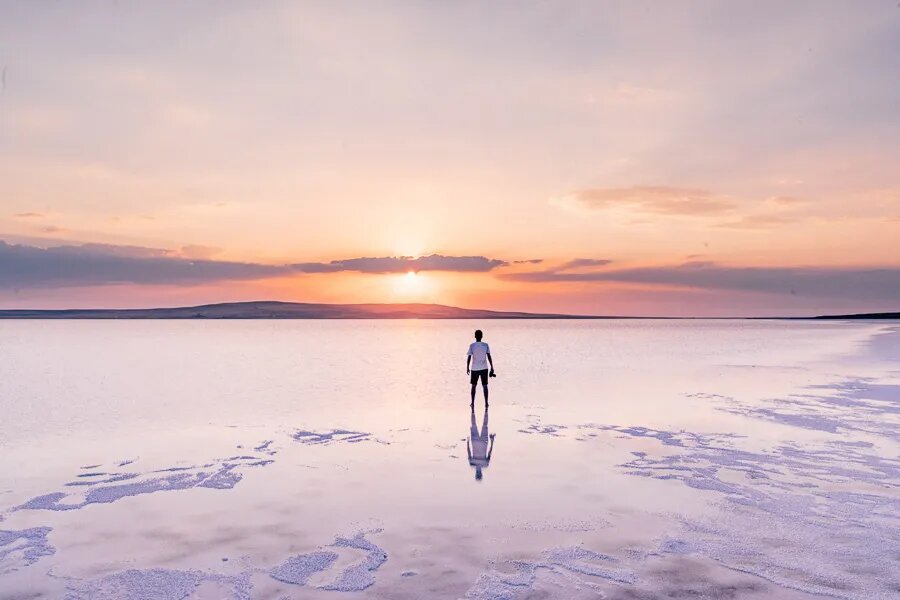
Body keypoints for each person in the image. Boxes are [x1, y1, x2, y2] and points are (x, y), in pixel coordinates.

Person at [466, 329, 494, 407]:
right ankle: (486, 403)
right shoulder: (485, 345)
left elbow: (469, 357)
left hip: (474, 369)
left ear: (475, 336)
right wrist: (492, 367)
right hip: (484, 368)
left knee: (473, 386)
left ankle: (472, 403)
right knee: (485, 386)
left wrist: (467, 367)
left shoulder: (472, 345)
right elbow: (489, 356)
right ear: (482, 336)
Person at [467, 406, 495, 481]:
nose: (478, 473)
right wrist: (467, 442)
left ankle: (483, 410)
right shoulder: (474, 463)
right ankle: (476, 410)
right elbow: (469, 452)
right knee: (475, 424)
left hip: (482, 442)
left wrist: (492, 441)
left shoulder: (483, 464)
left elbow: (490, 452)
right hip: (478, 441)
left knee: (483, 425)